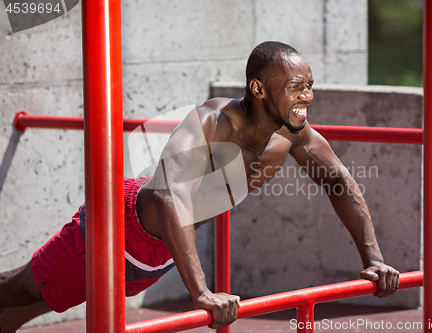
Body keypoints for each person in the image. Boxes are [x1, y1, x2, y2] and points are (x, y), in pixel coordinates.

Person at [0, 41, 399, 333]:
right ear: (259, 89)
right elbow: (167, 192)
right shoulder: (211, 122)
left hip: (162, 254)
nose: (307, 96)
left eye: (309, 85)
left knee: (45, 301)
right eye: (296, 86)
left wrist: (373, 257)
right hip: (117, 230)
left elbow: (338, 181)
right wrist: (202, 291)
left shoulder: (293, 135)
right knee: (18, 289)